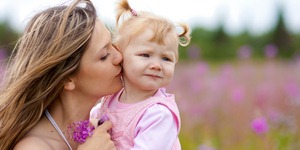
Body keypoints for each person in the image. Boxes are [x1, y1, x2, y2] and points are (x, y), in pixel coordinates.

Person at [0, 0, 123, 149]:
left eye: (113, 44)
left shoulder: (102, 130)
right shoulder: (34, 146)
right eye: (104, 55)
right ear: (67, 79)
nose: (119, 56)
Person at [90, 0, 191, 149]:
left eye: (166, 58)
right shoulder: (110, 98)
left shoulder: (159, 115)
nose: (156, 65)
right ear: (121, 56)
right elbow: (94, 118)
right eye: (145, 55)